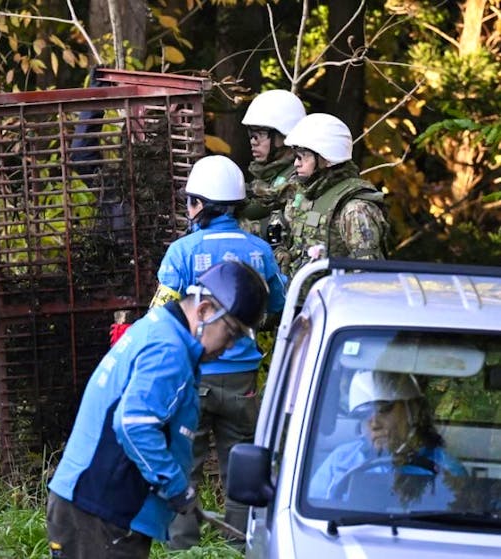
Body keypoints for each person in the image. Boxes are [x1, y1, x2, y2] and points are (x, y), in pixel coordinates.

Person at [47, 261, 269, 558]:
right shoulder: (169, 350)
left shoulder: (160, 330)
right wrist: (177, 487)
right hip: (101, 511)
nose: (229, 347)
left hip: (93, 505)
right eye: (231, 333)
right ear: (204, 311)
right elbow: (134, 425)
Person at [152, 155, 286, 549]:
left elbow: (160, 314)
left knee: (184, 462)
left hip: (194, 376)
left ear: (200, 205)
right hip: (244, 378)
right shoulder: (260, 250)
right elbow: (277, 305)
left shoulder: (182, 251)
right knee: (240, 467)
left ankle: (182, 546)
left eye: (191, 200)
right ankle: (239, 544)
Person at [309, 370, 466, 501]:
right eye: (364, 415)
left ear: (413, 409)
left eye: (384, 410)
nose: (374, 423)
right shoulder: (340, 460)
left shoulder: (445, 466)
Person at [278, 113, 388, 278]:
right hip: (298, 298)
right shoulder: (305, 194)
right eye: (296, 156)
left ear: (327, 159)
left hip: (333, 301)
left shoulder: (355, 209)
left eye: (304, 156)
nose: (296, 163)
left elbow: (368, 276)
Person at [237, 89, 306, 252]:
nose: (253, 141)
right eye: (251, 134)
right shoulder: (269, 173)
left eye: (260, 134)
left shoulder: (297, 175)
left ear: (283, 136)